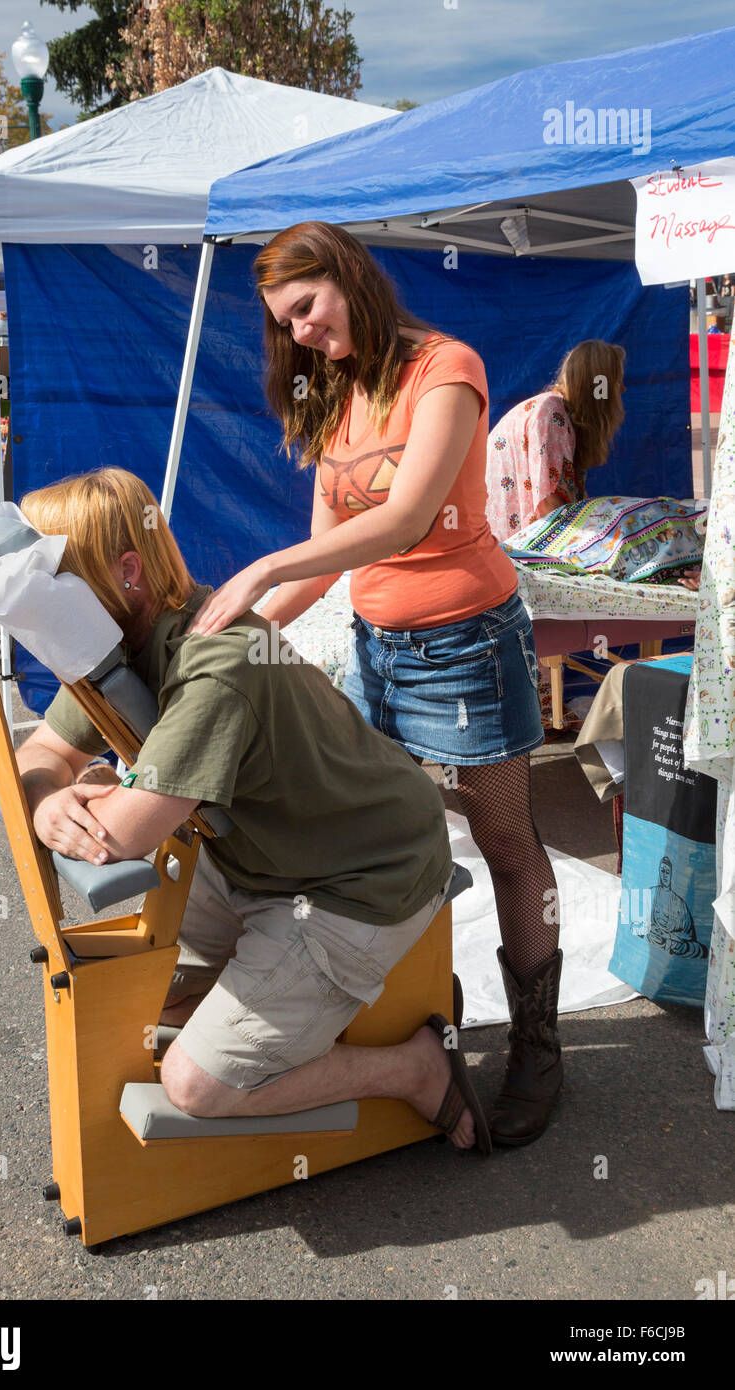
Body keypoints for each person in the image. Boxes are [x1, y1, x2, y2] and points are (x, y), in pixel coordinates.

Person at [185, 221, 563, 1147]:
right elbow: (327, 561)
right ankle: (417, 1012)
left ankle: (538, 1046)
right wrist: (230, 639)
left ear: (350, 276)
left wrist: (260, 570)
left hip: (467, 646)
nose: (304, 334)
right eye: (286, 324)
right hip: (376, 648)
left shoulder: (448, 368)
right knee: (378, 837)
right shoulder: (333, 395)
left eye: (308, 308)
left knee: (505, 839)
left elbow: (400, 521)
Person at [13, 467, 491, 1152]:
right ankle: (299, 1009)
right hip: (264, 862)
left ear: (126, 572)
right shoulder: (121, 645)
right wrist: (47, 799)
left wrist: (78, 795)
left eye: (56, 583)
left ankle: (412, 1066)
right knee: (135, 1006)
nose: (43, 606)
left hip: (359, 878)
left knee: (196, 1084)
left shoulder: (214, 668)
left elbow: (118, 835)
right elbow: (40, 754)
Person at [485, 339, 626, 541]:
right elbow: (549, 504)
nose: (623, 389)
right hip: (512, 551)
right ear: (599, 385)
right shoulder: (551, 413)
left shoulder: (561, 414)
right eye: (618, 381)